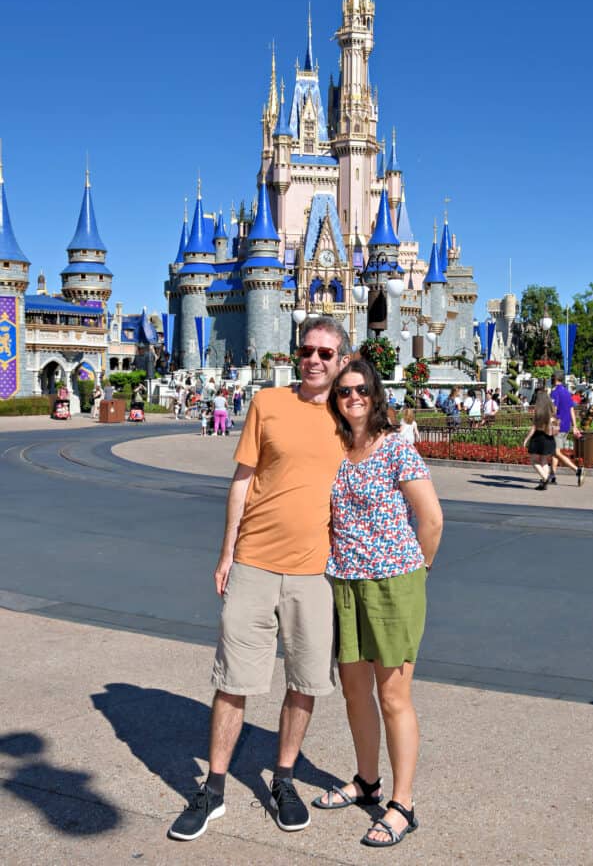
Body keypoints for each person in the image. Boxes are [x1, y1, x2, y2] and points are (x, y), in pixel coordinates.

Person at [168, 316, 351, 842]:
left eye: (325, 353)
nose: (314, 359)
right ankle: (215, 787)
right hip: (253, 562)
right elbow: (242, 481)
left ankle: (284, 778)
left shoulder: (348, 415)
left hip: (314, 572)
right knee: (233, 681)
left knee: (305, 681)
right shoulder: (267, 404)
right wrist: (226, 552)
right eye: (307, 350)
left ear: (341, 361)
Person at [313, 359, 442, 848]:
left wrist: (415, 572)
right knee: (354, 691)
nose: (353, 398)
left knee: (393, 696)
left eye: (361, 389)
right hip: (345, 582)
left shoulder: (395, 448)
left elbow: (431, 519)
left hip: (392, 584)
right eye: (344, 392)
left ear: (376, 393)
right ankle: (368, 781)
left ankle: (403, 803)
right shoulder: (339, 449)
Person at [549, 371, 584, 486]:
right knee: (556, 451)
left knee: (556, 451)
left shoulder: (555, 392)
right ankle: (552, 476)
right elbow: (571, 410)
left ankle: (577, 470)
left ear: (554, 379)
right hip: (566, 425)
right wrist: (574, 426)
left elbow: (553, 409)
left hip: (557, 425)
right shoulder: (567, 392)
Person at [523, 390, 557, 490]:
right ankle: (543, 484)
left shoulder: (538, 412)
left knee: (533, 461)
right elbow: (555, 423)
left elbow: (533, 427)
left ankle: (545, 478)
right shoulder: (552, 410)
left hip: (538, 437)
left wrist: (526, 439)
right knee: (544, 460)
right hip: (549, 438)